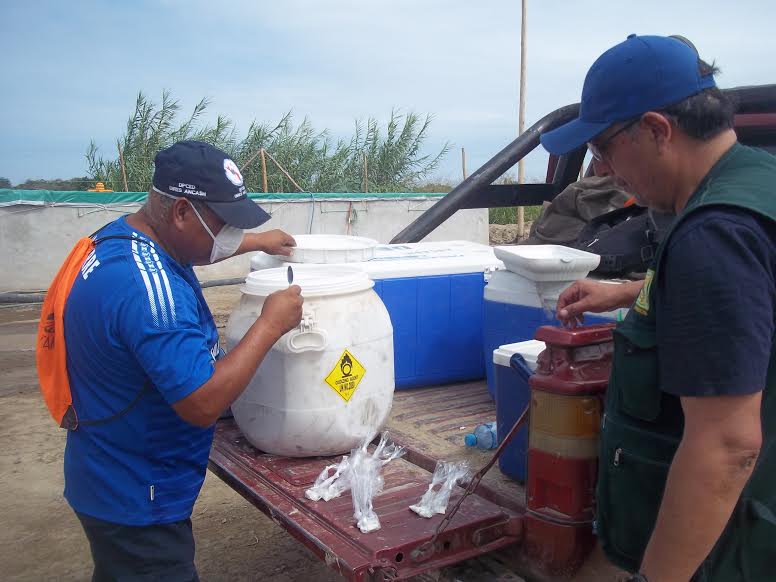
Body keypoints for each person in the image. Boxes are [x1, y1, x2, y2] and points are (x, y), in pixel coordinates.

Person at [542, 35, 776, 581]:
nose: (599, 170)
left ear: (656, 129)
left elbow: (727, 444)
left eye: (603, 147)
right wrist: (628, 293)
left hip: (721, 549)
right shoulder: (756, 183)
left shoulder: (715, 236)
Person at [60, 140, 303, 580]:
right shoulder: (148, 292)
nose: (228, 235)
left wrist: (253, 242)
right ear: (181, 211)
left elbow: (197, 245)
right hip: (137, 496)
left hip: (108, 471)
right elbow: (201, 403)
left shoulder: (127, 240)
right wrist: (269, 325)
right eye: (224, 223)